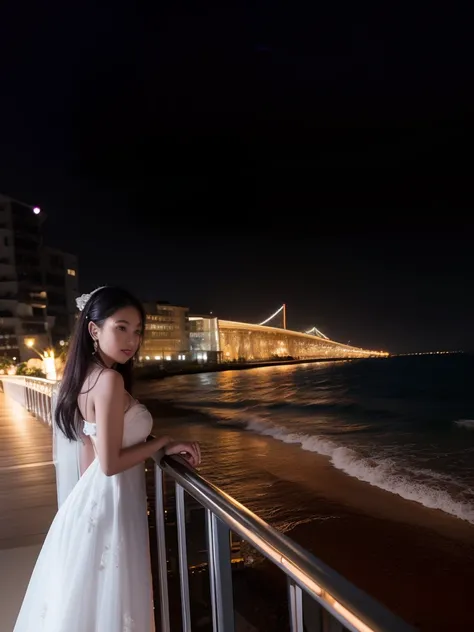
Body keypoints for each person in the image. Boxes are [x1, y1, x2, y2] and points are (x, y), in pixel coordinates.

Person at [14, 286, 201, 632]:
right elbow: (110, 463)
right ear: (94, 330)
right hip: (112, 501)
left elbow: (93, 451)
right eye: (121, 327)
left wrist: (156, 449)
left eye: (137, 330)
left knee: (89, 602)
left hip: (94, 501)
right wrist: (162, 441)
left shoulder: (84, 377)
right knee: (113, 601)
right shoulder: (110, 380)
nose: (132, 339)